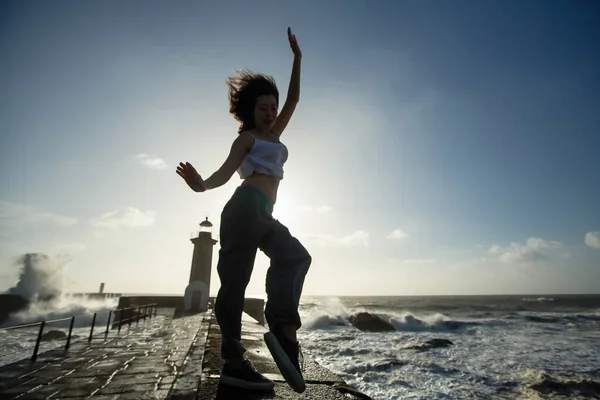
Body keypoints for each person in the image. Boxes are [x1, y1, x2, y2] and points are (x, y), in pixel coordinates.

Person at [176, 28, 310, 393]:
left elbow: (294, 100)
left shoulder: (276, 135)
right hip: (242, 210)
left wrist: (297, 59)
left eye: (272, 106)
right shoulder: (247, 139)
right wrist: (201, 184)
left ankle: (283, 332)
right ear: (251, 110)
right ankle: (234, 363)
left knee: (296, 256)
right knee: (234, 285)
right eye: (263, 107)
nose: (270, 112)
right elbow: (225, 171)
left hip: (264, 213)